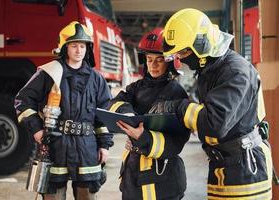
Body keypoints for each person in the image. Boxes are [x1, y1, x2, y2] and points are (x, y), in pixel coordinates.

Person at [160, 8, 273, 199]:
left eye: (183, 52)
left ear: (202, 44)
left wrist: (180, 107)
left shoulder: (234, 71)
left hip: (245, 172)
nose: (180, 58)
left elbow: (214, 124)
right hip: (224, 164)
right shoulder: (212, 70)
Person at [15, 21, 113, 200]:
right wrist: (36, 130)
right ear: (64, 48)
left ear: (87, 48)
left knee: (88, 195)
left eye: (82, 46)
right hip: (55, 145)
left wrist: (105, 145)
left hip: (87, 148)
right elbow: (23, 100)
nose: (79, 50)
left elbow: (104, 115)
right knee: (53, 194)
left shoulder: (96, 79)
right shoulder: (49, 73)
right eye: (74, 45)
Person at [108, 27, 190, 200]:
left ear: (170, 62)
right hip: (132, 174)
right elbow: (115, 103)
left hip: (163, 179)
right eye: (149, 59)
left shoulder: (176, 93)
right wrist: (130, 118)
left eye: (159, 60)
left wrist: (144, 137)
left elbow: (178, 141)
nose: (153, 65)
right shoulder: (136, 87)